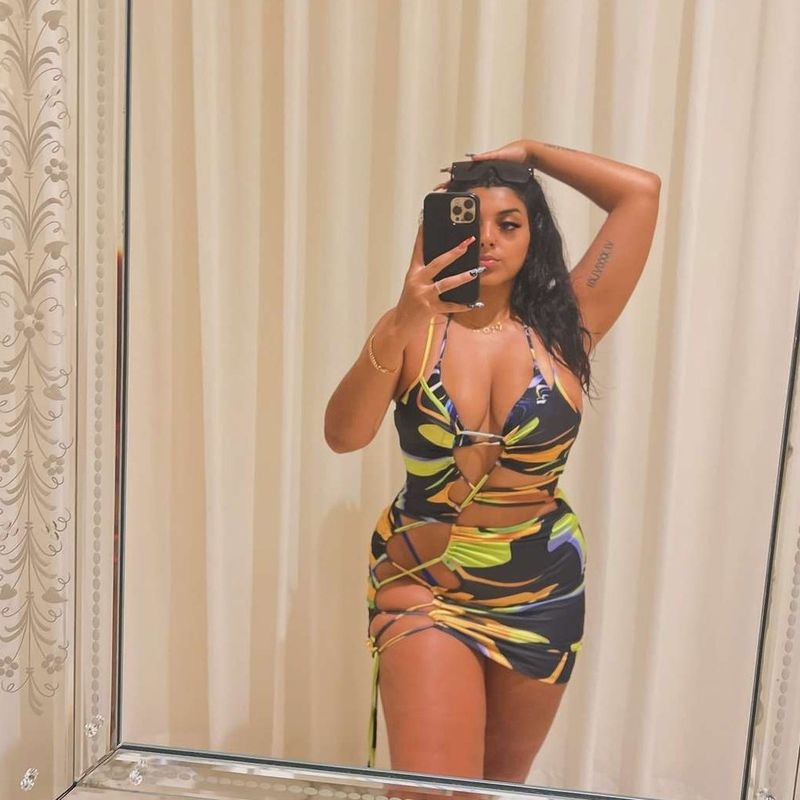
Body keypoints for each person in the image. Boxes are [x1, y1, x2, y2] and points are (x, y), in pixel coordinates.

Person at [324, 139, 660, 782]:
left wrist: (532, 150)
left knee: (496, 788)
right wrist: (402, 316)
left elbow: (639, 193)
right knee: (431, 792)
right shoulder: (411, 329)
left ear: (534, 236)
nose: (488, 239)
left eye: (509, 224)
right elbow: (343, 436)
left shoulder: (566, 329)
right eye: (471, 223)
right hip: (423, 576)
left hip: (540, 585)